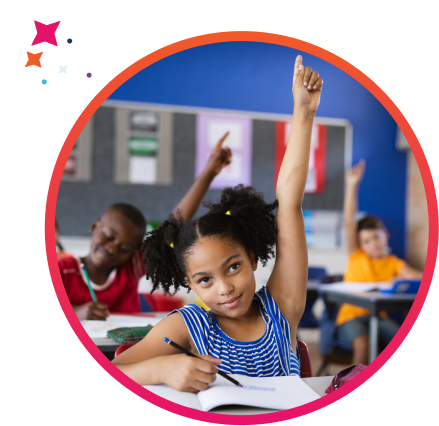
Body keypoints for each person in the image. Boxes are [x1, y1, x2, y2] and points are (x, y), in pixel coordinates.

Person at [113, 55, 323, 392]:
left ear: (253, 257)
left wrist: (304, 113)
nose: (224, 288)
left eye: (234, 266)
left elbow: (289, 203)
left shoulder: (282, 308)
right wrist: (164, 368)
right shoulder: (189, 325)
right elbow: (114, 368)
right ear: (189, 284)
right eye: (205, 279)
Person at [58, 132, 232, 321]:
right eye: (108, 237)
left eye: (124, 248)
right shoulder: (64, 268)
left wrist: (209, 173)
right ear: (94, 226)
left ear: (134, 251)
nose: (111, 248)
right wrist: (75, 313)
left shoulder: (131, 267)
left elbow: (173, 226)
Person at [335, 159, 423, 364]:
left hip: (378, 318)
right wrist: (352, 185)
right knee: (363, 343)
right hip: (350, 317)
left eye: (376, 237)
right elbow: (349, 223)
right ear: (360, 244)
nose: (373, 243)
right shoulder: (357, 255)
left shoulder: (393, 263)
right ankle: (351, 382)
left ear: (386, 235)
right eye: (366, 241)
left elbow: (417, 278)